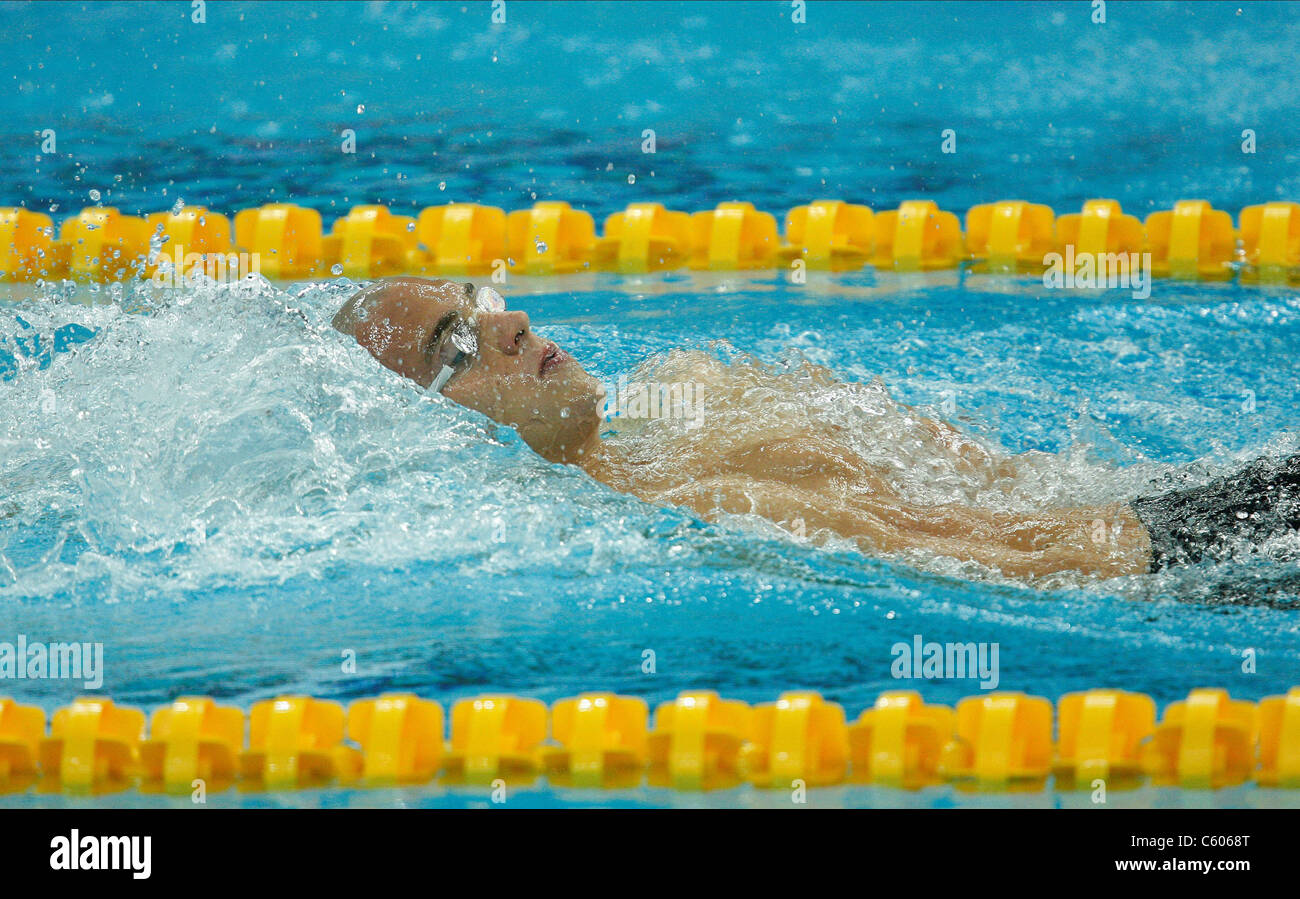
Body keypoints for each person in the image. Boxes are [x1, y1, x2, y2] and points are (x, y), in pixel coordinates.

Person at [331, 277, 1300, 580]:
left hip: (1170, 506)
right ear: (431, 430)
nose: (508, 322)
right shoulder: (683, 509)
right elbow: (1035, 563)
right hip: (1187, 557)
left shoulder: (690, 388)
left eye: (480, 300)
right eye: (453, 346)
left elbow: (1013, 478)